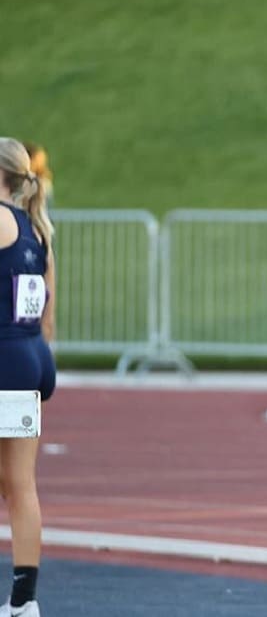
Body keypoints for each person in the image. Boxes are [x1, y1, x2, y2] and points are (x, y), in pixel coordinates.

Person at [0, 138, 57, 617]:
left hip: (4, 361)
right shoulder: (36, 229)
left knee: (16, 484)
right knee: (20, 484)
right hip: (31, 358)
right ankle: (24, 602)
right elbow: (48, 313)